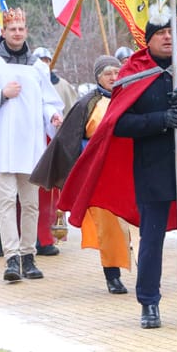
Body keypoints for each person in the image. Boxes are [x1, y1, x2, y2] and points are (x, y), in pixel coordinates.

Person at [59, 14, 177, 330]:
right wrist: (160, 119)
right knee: (151, 241)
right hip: (153, 172)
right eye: (160, 33)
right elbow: (118, 124)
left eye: (171, 33)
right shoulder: (133, 73)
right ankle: (149, 303)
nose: (167, 38)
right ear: (147, 39)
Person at [0, 9, 63, 282]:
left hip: (30, 144)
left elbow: (48, 101)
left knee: (30, 203)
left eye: (21, 28)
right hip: (1, 144)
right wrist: (1, 95)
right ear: (4, 32)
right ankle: (11, 258)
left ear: (26, 31)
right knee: (6, 202)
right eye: (12, 29)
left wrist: (52, 116)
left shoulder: (37, 67)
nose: (17, 33)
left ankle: (29, 255)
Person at [32, 55, 132, 294]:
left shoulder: (129, 99)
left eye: (117, 73)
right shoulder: (87, 103)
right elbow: (70, 140)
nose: (113, 78)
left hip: (129, 171)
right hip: (100, 174)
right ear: (98, 77)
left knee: (131, 225)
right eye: (108, 73)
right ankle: (113, 274)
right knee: (109, 226)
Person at [31, 46, 77, 256]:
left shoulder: (63, 86)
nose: (44, 63)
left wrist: (61, 122)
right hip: (31, 145)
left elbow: (70, 109)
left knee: (52, 194)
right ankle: (34, 238)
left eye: (47, 59)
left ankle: (50, 236)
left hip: (55, 141)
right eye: (40, 59)